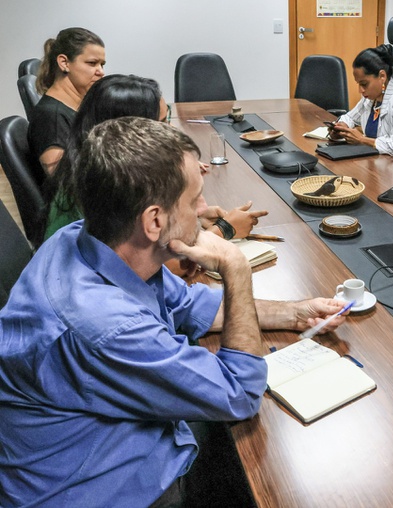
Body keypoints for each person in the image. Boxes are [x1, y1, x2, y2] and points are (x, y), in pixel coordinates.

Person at [0, 117, 348, 507]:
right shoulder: (107, 326)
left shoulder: (87, 239)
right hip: (97, 488)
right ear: (154, 221)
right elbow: (240, 391)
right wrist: (236, 268)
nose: (204, 209)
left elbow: (189, 306)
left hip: (104, 442)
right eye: (194, 199)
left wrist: (294, 313)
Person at [42, 74, 266, 244]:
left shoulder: (96, 165)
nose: (170, 132)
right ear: (126, 129)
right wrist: (224, 230)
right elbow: (156, 266)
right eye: (160, 124)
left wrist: (189, 217)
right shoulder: (101, 186)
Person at [28, 27, 105, 176]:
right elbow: (65, 184)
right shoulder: (51, 119)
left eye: (102, 64)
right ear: (64, 63)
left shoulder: (77, 106)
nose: (101, 71)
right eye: (92, 63)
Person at [331, 44, 393, 158]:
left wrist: (361, 139)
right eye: (358, 84)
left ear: (382, 76)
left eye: (364, 84)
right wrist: (341, 127)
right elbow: (350, 117)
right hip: (377, 162)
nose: (360, 90)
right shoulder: (370, 98)